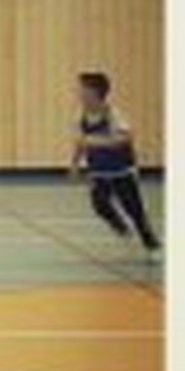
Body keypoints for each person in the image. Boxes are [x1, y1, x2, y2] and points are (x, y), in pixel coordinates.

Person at [70, 71, 160, 254]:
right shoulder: (81, 116)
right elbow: (80, 142)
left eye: (82, 90)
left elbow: (126, 138)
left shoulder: (113, 114)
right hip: (98, 171)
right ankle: (121, 228)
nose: (79, 93)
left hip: (121, 171)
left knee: (134, 209)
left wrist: (99, 142)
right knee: (100, 205)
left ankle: (150, 242)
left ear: (94, 93)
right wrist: (75, 164)